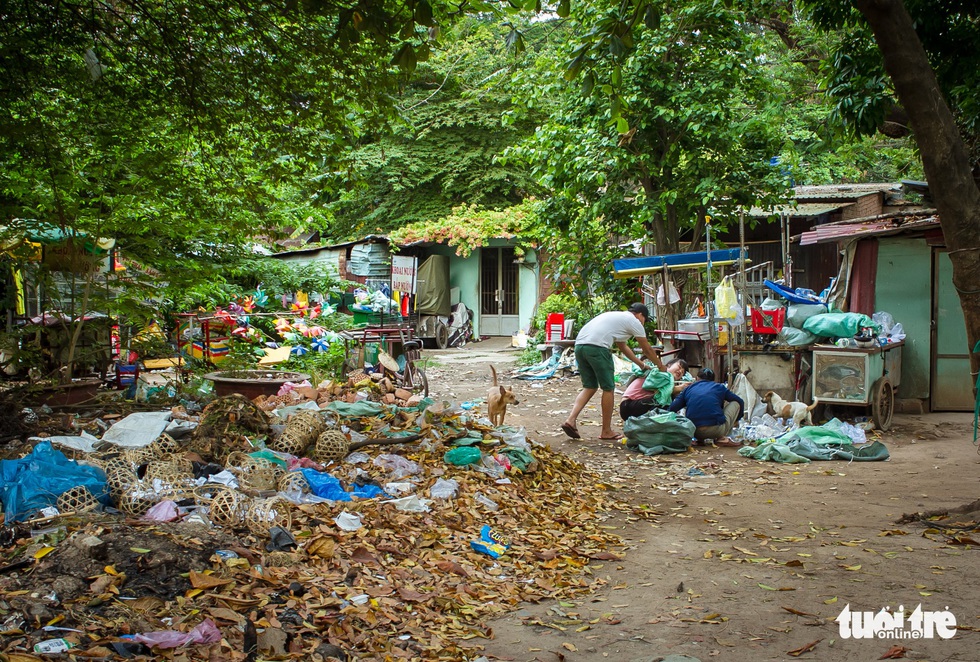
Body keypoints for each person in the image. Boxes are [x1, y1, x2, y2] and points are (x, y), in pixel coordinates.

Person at [561, 303, 664, 440]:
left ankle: (571, 420)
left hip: (580, 346)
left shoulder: (617, 317)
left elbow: (622, 346)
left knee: (590, 386)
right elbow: (647, 349)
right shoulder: (634, 321)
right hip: (598, 348)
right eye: (644, 319)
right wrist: (661, 366)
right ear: (640, 315)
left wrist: (641, 365)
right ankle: (606, 431)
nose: (643, 323)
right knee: (608, 388)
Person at [667, 368, 744, 447]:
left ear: (697, 378)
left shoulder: (688, 389)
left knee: (695, 408)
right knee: (735, 403)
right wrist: (737, 420)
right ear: (713, 380)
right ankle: (722, 438)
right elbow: (740, 401)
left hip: (694, 432)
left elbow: (672, 408)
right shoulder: (719, 387)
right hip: (716, 430)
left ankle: (700, 440)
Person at [619, 358, 693, 421]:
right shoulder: (660, 373)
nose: (680, 371)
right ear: (669, 365)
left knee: (669, 400)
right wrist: (679, 388)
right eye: (679, 367)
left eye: (682, 372)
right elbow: (660, 391)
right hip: (627, 405)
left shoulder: (668, 381)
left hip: (635, 405)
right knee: (663, 401)